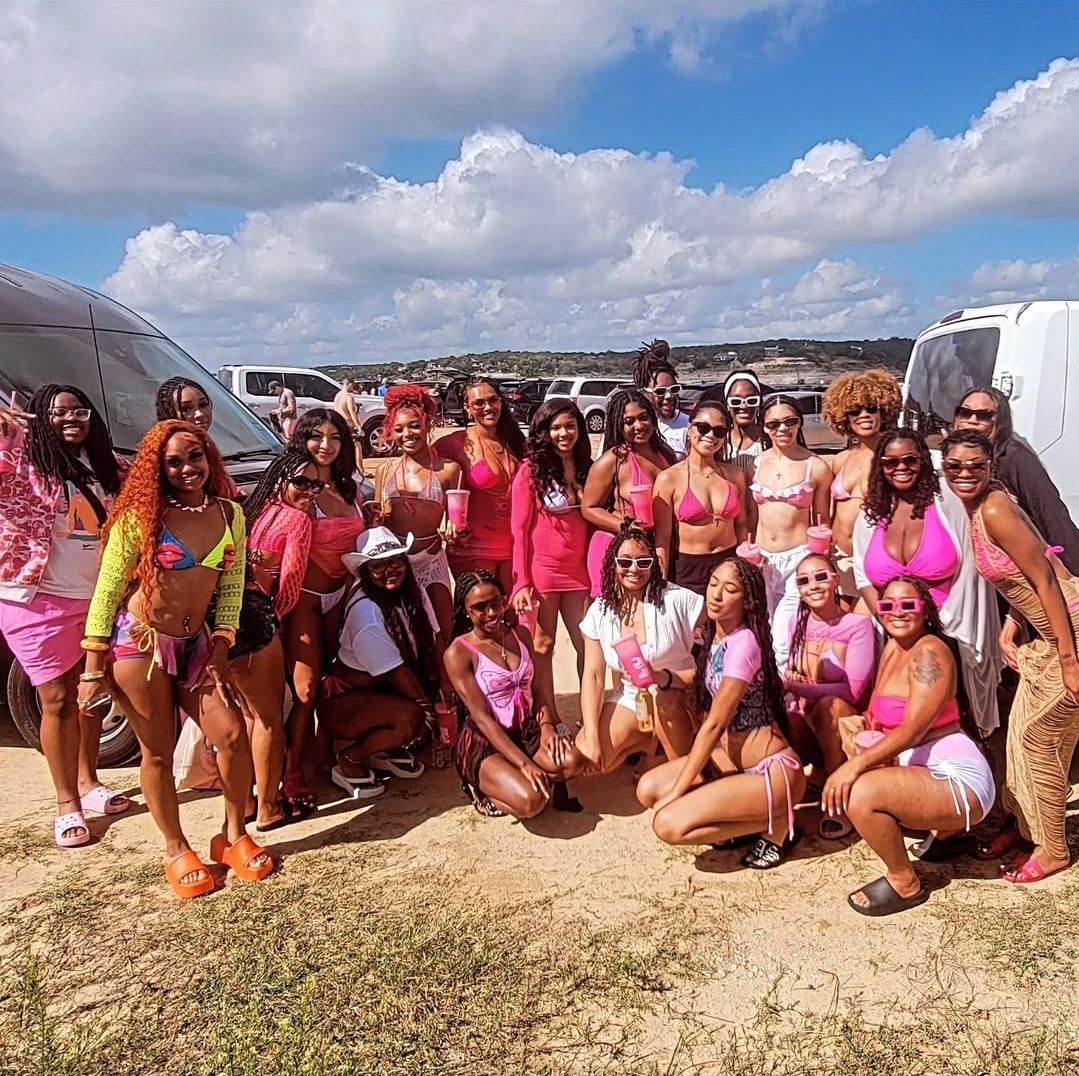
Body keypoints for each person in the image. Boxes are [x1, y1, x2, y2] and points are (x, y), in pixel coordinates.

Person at [78, 420, 273, 899]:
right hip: (139, 645)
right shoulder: (142, 518)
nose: (188, 468)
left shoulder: (230, 515)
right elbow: (107, 591)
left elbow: (229, 586)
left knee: (230, 735)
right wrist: (93, 667)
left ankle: (232, 836)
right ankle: (174, 846)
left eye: (195, 456)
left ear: (210, 456)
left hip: (199, 646)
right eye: (174, 462)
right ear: (157, 469)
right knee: (158, 751)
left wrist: (222, 647)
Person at [941, 430, 1079, 882]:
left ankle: (1054, 847)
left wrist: (1068, 658)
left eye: (974, 466)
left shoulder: (996, 509)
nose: (964, 474)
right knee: (1020, 737)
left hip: (1071, 631)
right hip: (1049, 632)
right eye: (955, 466)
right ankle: (1028, 829)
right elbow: (1025, 575)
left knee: (1040, 739)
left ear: (990, 469)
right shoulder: (979, 509)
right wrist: (1011, 626)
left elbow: (1047, 579)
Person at [0, 385, 129, 847]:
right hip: (37, 600)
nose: (72, 418)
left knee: (92, 693)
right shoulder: (19, 465)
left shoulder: (108, 466)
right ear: (39, 418)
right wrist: (6, 438)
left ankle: (89, 782)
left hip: (102, 599)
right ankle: (66, 803)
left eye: (80, 410)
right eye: (59, 412)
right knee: (55, 699)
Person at [824, 576, 995, 916]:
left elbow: (914, 731)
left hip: (958, 779)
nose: (896, 612)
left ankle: (905, 881)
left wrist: (852, 767)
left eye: (908, 605)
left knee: (861, 793)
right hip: (928, 769)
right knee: (868, 777)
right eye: (887, 605)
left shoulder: (929, 652)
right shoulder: (893, 647)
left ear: (926, 610)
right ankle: (943, 838)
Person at [637, 557, 807, 869]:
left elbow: (715, 724)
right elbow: (705, 677)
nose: (716, 594)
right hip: (735, 765)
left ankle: (778, 824)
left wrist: (678, 791)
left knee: (667, 824)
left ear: (748, 601)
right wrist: (662, 677)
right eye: (713, 583)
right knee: (647, 790)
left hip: (771, 772)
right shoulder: (717, 636)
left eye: (729, 589)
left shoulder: (744, 643)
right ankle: (749, 817)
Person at [852, 428, 1001, 736]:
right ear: (880, 466)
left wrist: (936, 626)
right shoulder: (872, 512)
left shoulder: (948, 502)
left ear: (923, 460)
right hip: (896, 632)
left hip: (951, 629)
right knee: (899, 718)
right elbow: (862, 574)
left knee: (956, 720)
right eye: (890, 462)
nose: (901, 468)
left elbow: (970, 566)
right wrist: (888, 617)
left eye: (910, 460)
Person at [446, 570, 586, 818]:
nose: (491, 613)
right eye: (480, 607)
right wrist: (525, 764)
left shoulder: (520, 634)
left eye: (496, 602)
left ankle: (515, 775)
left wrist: (546, 727)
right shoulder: (458, 653)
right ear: (466, 610)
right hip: (485, 741)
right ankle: (484, 788)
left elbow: (538, 690)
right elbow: (482, 719)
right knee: (532, 802)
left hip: (525, 729)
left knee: (572, 762)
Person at [281, 408, 366, 813]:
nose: (325, 446)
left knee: (335, 680)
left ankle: (323, 754)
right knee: (306, 688)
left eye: (334, 438)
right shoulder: (297, 485)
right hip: (307, 599)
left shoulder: (351, 488)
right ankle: (291, 769)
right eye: (316, 436)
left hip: (343, 597)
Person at [231, 448, 319, 829]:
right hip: (256, 616)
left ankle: (247, 800)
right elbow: (291, 585)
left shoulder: (252, 509)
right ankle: (269, 808)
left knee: (245, 714)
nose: (310, 491)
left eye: (317, 484)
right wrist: (274, 620)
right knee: (267, 718)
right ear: (281, 477)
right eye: (302, 481)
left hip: (223, 620)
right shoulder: (298, 520)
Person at [320, 528, 443, 798]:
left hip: (379, 691)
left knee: (427, 703)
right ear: (365, 571)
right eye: (378, 565)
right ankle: (351, 758)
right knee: (411, 717)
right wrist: (431, 714)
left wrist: (444, 690)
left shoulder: (414, 593)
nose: (390, 569)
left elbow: (433, 643)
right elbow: (397, 673)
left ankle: (385, 748)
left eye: (396, 561)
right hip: (345, 701)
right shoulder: (367, 614)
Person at [576, 524, 702, 774]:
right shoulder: (600, 611)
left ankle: (681, 766)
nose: (634, 569)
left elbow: (720, 632)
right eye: (625, 562)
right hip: (634, 698)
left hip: (677, 695)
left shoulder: (679, 600)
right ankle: (650, 744)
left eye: (643, 562)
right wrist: (591, 735)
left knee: (665, 701)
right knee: (587, 764)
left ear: (653, 565)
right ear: (613, 564)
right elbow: (593, 676)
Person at [783, 552, 876, 839]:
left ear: (836, 579)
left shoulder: (858, 626)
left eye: (821, 576)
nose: (813, 585)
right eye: (804, 580)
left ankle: (838, 797)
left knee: (829, 705)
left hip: (845, 722)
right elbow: (791, 674)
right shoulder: (795, 624)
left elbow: (853, 691)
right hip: (805, 719)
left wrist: (798, 687)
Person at [510, 399, 592, 712]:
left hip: (579, 572)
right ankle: (550, 715)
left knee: (588, 643)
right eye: (555, 427)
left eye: (570, 426)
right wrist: (521, 582)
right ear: (544, 431)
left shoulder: (587, 467)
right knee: (543, 645)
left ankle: (589, 713)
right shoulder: (530, 472)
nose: (563, 433)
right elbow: (518, 531)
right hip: (543, 571)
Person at [951, 387, 1079, 574]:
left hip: (1019, 573)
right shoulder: (951, 460)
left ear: (999, 421)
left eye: (983, 415)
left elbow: (1050, 512)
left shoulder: (1014, 458)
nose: (972, 420)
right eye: (965, 413)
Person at [749, 395, 832, 668]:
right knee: (761, 627)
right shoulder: (755, 464)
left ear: (799, 423)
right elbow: (750, 516)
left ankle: (784, 697)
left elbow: (822, 521)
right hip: (761, 560)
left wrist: (820, 560)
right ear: (764, 427)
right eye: (774, 424)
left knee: (783, 637)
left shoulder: (816, 466)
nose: (782, 429)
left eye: (789, 422)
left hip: (798, 560)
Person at [377, 385, 461, 639]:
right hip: (395, 562)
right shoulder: (385, 469)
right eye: (399, 429)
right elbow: (378, 522)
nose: (407, 434)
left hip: (432, 558)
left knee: (444, 630)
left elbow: (457, 517)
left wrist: (453, 529)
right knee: (401, 632)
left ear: (428, 424)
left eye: (414, 426)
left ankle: (446, 678)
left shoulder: (449, 470)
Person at [581, 388, 676, 598]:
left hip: (659, 550)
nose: (639, 426)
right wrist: (625, 526)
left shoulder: (666, 455)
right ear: (619, 425)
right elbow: (588, 508)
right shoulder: (613, 461)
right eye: (629, 421)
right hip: (620, 555)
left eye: (644, 418)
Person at [433, 378, 526, 591]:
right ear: (467, 408)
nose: (488, 407)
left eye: (493, 400)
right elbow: (425, 478)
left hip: (515, 548)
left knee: (513, 617)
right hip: (471, 549)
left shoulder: (516, 441)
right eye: (479, 403)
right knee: (482, 616)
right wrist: (445, 520)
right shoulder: (454, 444)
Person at [654, 400, 749, 594]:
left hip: (729, 563)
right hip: (689, 568)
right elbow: (663, 538)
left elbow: (742, 525)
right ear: (689, 430)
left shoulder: (735, 475)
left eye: (719, 431)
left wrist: (744, 566)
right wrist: (660, 582)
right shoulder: (668, 479)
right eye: (703, 428)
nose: (710, 436)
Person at [821, 370, 902, 592]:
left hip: (875, 560)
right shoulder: (841, 460)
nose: (864, 415)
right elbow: (832, 511)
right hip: (839, 557)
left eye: (871, 408)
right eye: (855, 411)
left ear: (884, 411)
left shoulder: (893, 459)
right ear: (843, 418)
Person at [155, 376, 242, 498]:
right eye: (186, 408)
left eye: (203, 405)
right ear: (168, 412)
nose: (200, 414)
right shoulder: (160, 451)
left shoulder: (207, 448)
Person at [634, 339, 689, 457]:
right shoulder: (634, 426)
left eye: (674, 389)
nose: (669, 396)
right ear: (644, 393)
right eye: (660, 391)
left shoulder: (688, 425)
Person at [722, 371, 764, 476]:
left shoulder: (769, 441)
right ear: (727, 405)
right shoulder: (719, 442)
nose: (744, 407)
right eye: (736, 401)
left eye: (751, 401)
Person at [333, 377, 366, 468]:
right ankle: (360, 469)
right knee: (357, 446)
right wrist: (358, 426)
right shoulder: (348, 397)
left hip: (339, 422)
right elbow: (352, 412)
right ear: (350, 384)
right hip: (349, 423)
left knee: (343, 446)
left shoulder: (337, 396)